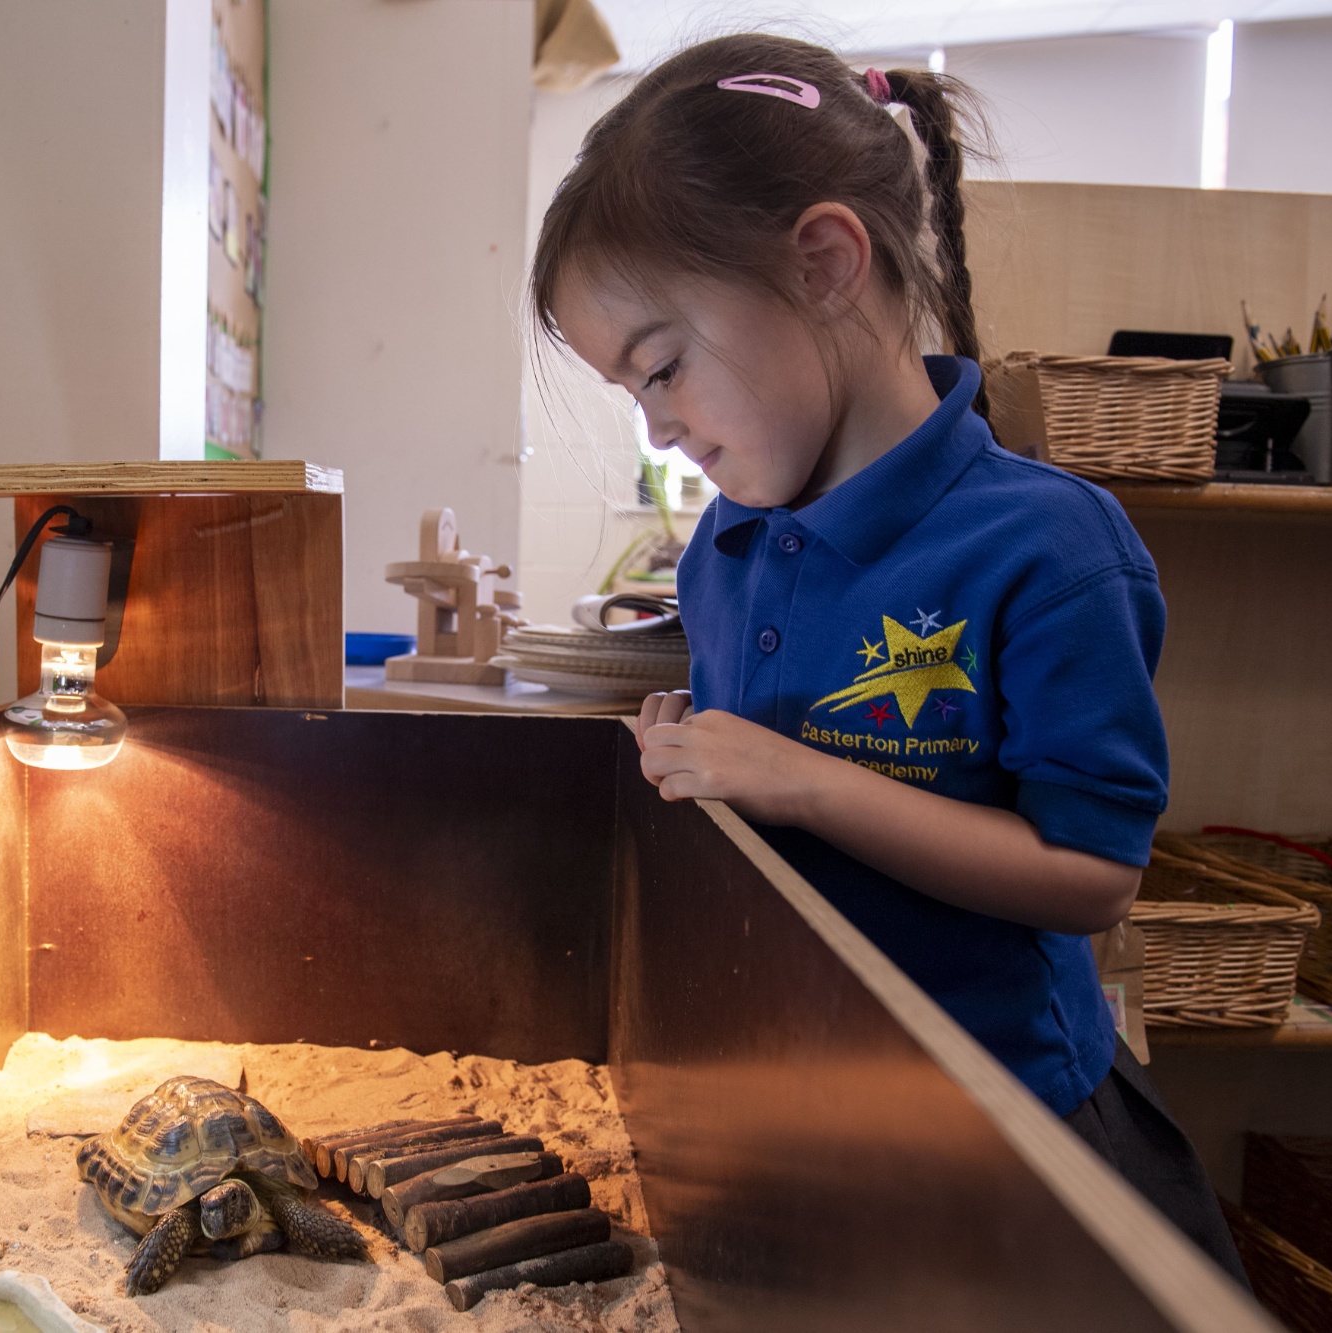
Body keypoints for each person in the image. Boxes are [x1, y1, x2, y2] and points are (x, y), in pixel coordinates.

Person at [529, 33, 1244, 1281]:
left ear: (821, 263)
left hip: (1006, 1135)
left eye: (662, 366)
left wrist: (799, 777)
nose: (655, 425)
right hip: (808, 1113)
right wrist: (692, 760)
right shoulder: (726, 548)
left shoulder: (1050, 548)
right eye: (627, 391)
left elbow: (1090, 875)